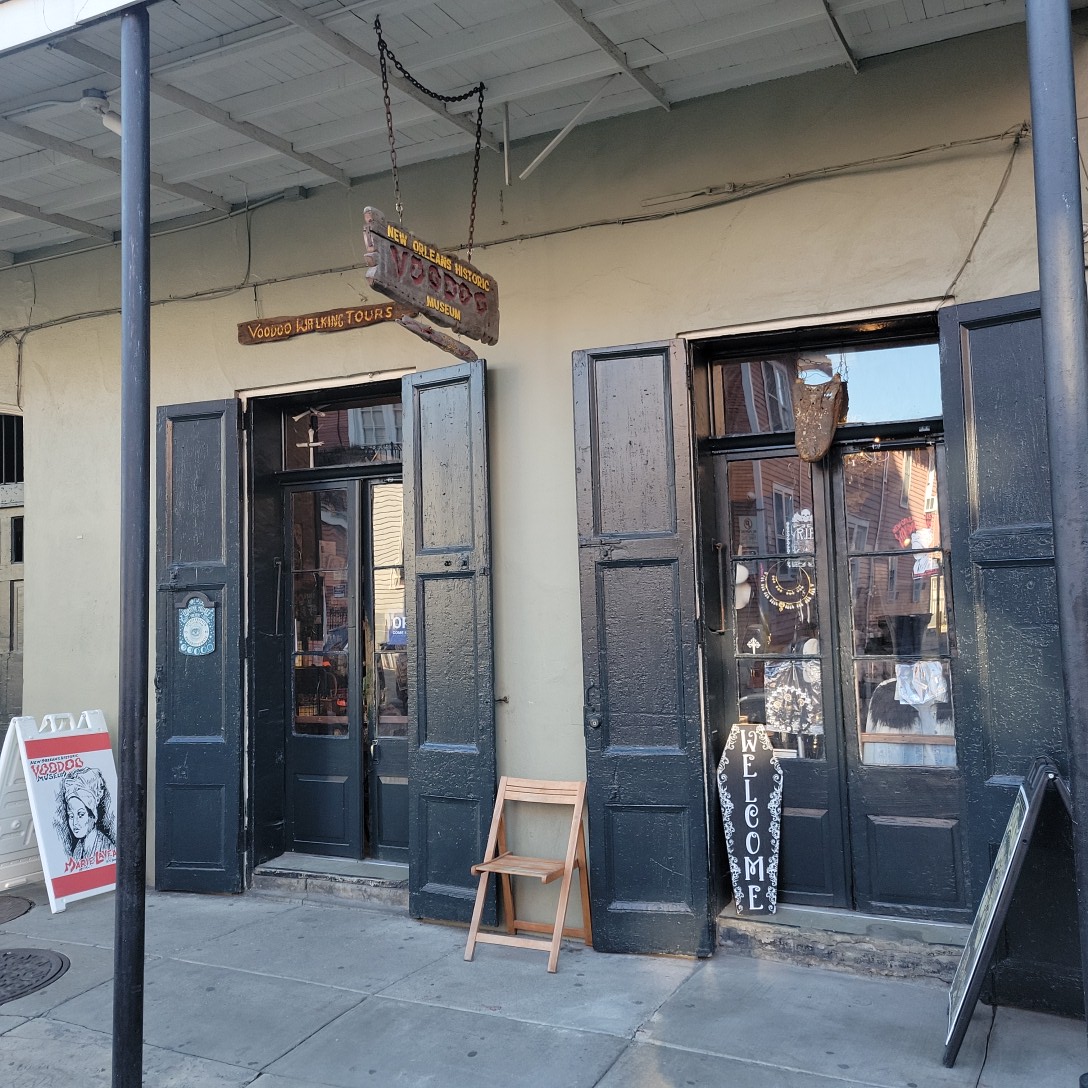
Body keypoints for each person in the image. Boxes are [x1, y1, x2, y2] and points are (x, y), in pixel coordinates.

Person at [54, 766, 116, 861]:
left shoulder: (107, 848)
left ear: (93, 815)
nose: (75, 823)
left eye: (81, 815)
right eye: (71, 816)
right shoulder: (78, 849)